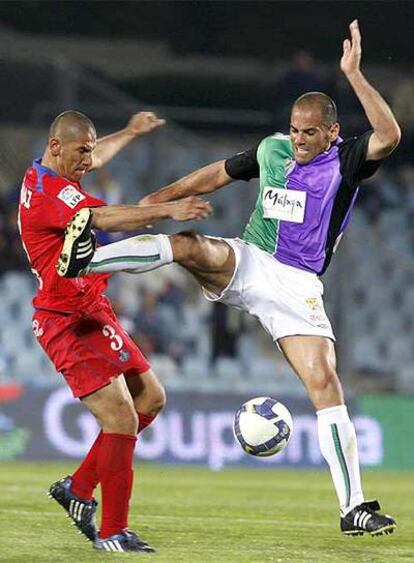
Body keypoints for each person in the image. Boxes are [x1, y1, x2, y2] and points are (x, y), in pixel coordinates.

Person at [59, 21, 400, 536]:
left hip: (298, 286)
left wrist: (352, 73)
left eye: (311, 132)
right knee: (191, 247)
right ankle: (87, 257)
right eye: (295, 128)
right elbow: (217, 172)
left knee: (326, 384)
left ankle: (353, 507)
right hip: (251, 261)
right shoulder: (272, 151)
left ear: (331, 132)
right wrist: (165, 198)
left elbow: (390, 135)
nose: (300, 139)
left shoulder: (346, 159)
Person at [18, 110, 212, 553]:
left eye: (90, 148)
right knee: (121, 417)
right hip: (65, 320)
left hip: (91, 307)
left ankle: (79, 488)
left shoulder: (53, 173)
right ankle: (112, 531)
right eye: (81, 151)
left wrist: (129, 131)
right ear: (55, 147)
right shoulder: (49, 194)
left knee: (151, 398)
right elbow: (102, 220)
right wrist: (168, 210)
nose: (89, 159)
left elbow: (95, 155)